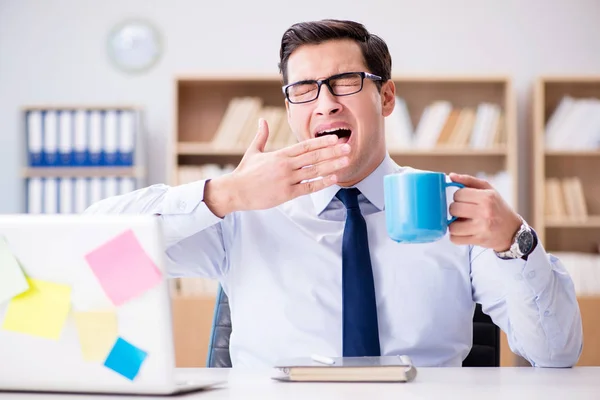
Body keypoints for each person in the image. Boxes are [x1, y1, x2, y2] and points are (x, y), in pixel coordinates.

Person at [85, 19, 583, 368]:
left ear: (385, 97)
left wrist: (515, 241)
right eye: (303, 89)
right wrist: (225, 194)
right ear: (289, 110)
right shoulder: (242, 213)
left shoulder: (448, 208)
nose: (324, 104)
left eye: (344, 82)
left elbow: (556, 353)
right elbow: (95, 252)